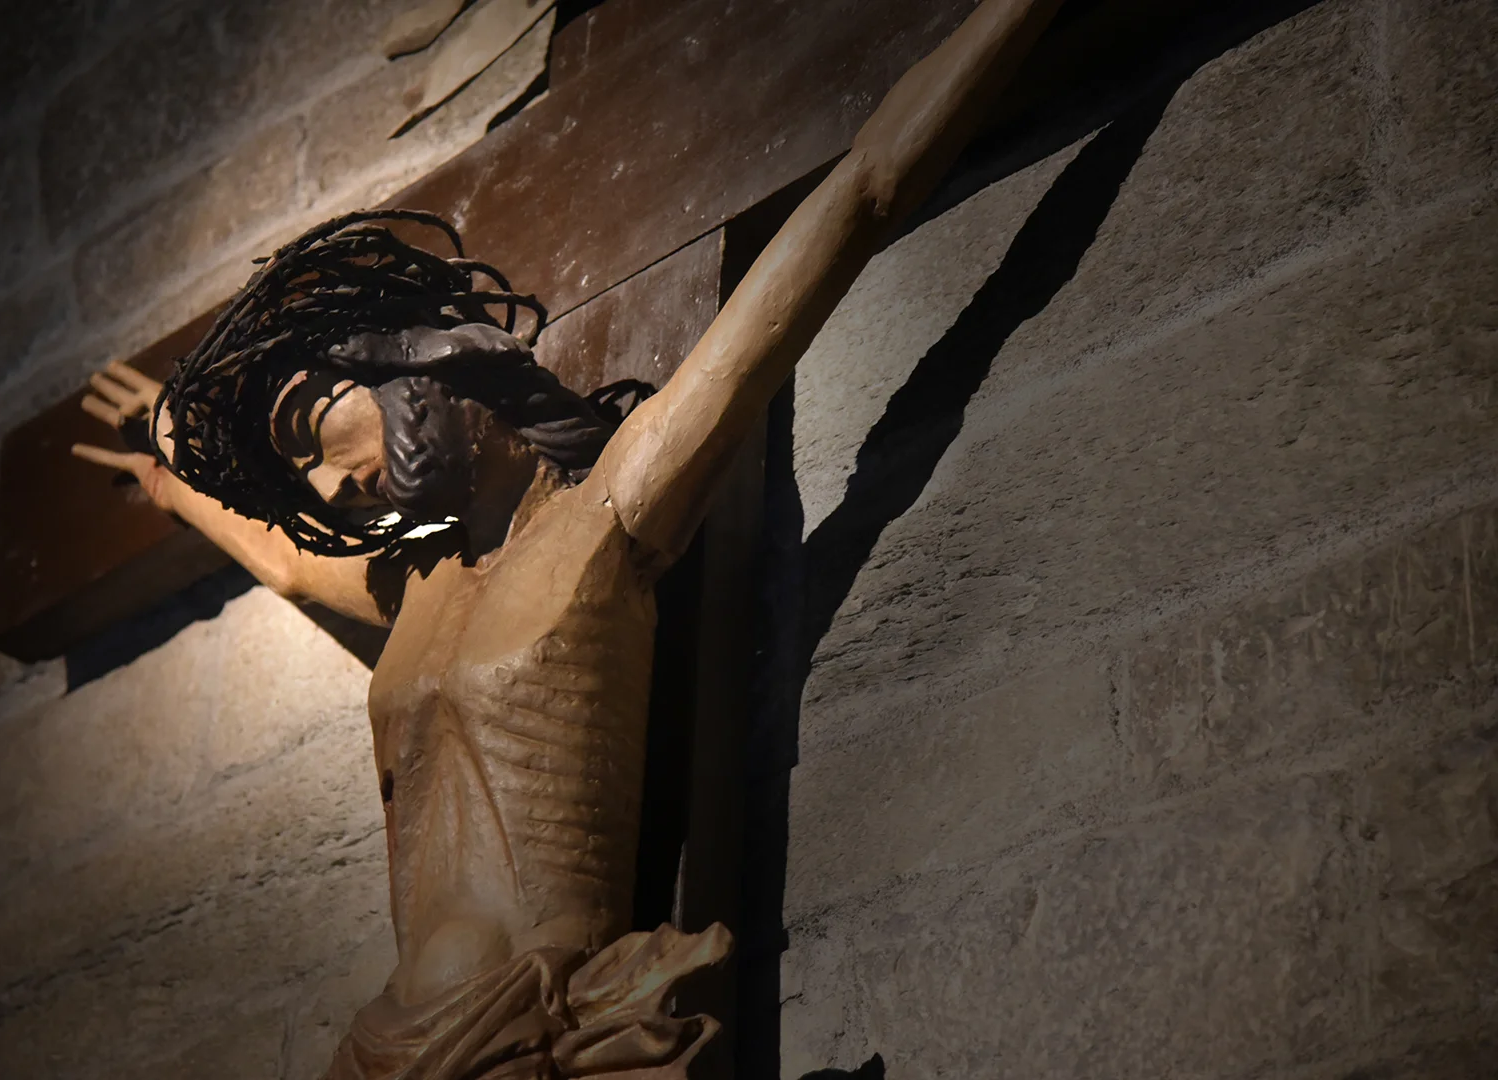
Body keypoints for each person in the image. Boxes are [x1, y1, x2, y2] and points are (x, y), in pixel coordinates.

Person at [71, 1, 1065, 1075]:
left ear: (414, 360)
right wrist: (172, 484)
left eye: (315, 433)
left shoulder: (612, 515)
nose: (328, 483)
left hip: (537, 1040)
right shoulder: (416, 579)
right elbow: (287, 563)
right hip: (389, 1054)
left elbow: (860, 196)